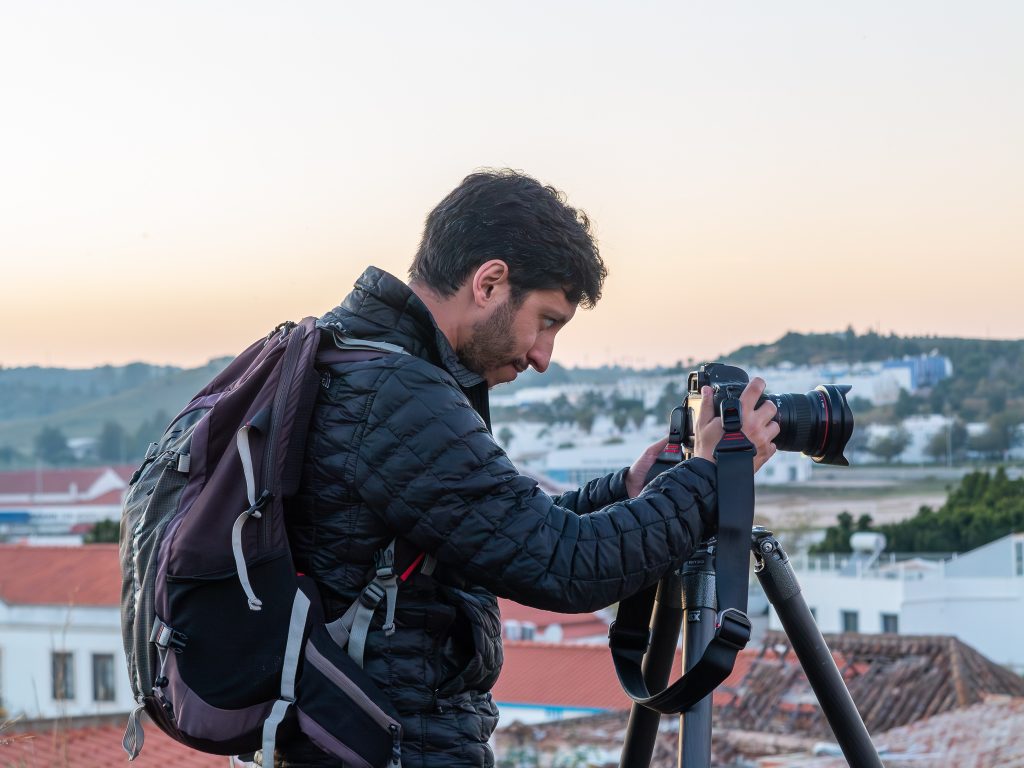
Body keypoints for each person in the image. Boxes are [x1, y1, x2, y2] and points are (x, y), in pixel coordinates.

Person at [271, 169, 779, 767]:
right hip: (390, 745)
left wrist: (626, 491)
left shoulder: (358, 362)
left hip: (359, 735)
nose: (543, 357)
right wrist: (712, 478)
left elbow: (495, 533)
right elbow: (563, 565)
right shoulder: (397, 396)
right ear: (489, 283)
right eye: (547, 321)